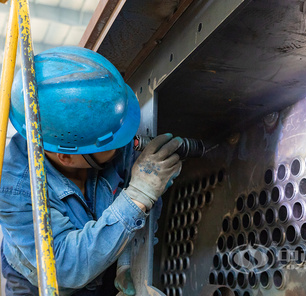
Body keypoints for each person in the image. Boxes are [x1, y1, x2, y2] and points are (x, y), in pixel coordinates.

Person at [0, 46, 182, 295]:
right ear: (66, 156)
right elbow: (65, 266)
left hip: (103, 259)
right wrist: (139, 195)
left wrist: (127, 261)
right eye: (113, 142)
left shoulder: (100, 134)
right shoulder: (15, 189)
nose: (127, 143)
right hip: (42, 285)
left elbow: (143, 202)